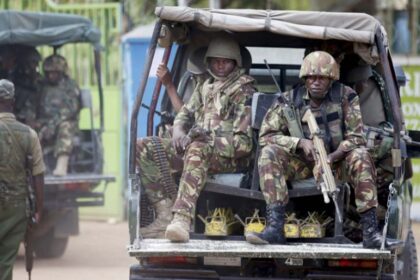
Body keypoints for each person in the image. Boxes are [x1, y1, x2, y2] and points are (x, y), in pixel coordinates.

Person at [245, 51, 400, 249]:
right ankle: (275, 227)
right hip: (301, 164)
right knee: (269, 153)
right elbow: (266, 136)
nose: (315, 82)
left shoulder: (346, 97)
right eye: (311, 77)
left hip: (336, 164)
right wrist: (299, 143)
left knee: (361, 155)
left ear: (331, 78)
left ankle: (370, 232)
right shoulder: (289, 100)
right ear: (305, 79)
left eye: (321, 78)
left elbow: (356, 138)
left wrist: (334, 155)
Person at [136, 36, 255, 241]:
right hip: (200, 149)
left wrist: (206, 140)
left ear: (236, 63)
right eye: (215, 60)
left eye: (225, 61)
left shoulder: (244, 91)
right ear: (208, 62)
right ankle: (165, 214)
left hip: (231, 158)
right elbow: (185, 114)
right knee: (144, 146)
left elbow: (244, 145)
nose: (220, 65)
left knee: (197, 148)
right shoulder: (205, 87)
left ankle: (182, 219)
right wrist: (179, 132)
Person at [0, 79, 45, 280]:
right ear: (13, 101)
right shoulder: (30, 134)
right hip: (17, 208)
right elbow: (38, 175)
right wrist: (38, 209)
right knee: (6, 260)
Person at [35, 54, 81, 176]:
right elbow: (33, 105)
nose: (51, 75)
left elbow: (70, 110)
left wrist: (51, 126)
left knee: (66, 127)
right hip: (44, 123)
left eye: (55, 72)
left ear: (62, 72)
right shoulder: (41, 86)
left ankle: (62, 165)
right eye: (49, 72)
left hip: (63, 123)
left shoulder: (70, 86)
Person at [12, 46, 43, 125]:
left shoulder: (39, 80)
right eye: (32, 62)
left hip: (35, 116)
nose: (35, 66)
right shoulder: (15, 78)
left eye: (36, 63)